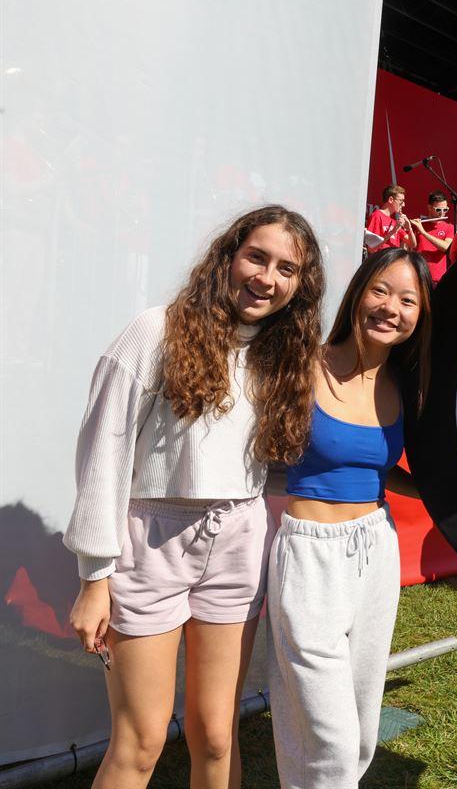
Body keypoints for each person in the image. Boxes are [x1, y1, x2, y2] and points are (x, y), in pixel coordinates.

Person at [64, 206, 325, 789]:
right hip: (151, 541)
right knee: (141, 740)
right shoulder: (155, 330)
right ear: (228, 255)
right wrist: (94, 577)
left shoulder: (282, 356)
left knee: (216, 734)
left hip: (238, 539)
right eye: (257, 256)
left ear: (299, 286)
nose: (267, 278)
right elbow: (103, 454)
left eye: (288, 269)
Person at [267, 247, 431, 788]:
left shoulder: (403, 385)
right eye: (381, 290)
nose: (392, 308)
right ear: (358, 293)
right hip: (310, 551)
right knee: (328, 737)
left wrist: (441, 493)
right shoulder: (303, 366)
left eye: (408, 300)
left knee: (360, 727)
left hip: (376, 549)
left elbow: (374, 470)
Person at [410, 190, 455, 284]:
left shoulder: (449, 227)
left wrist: (424, 233)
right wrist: (407, 227)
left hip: (437, 278)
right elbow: (408, 246)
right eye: (438, 210)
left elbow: (446, 247)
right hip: (418, 275)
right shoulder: (418, 225)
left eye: (445, 209)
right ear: (430, 208)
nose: (442, 213)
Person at [365, 185, 416, 254]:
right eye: (401, 201)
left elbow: (412, 244)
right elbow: (371, 248)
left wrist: (409, 228)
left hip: (393, 262)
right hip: (381, 262)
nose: (403, 205)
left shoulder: (394, 222)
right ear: (391, 200)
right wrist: (393, 231)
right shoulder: (377, 216)